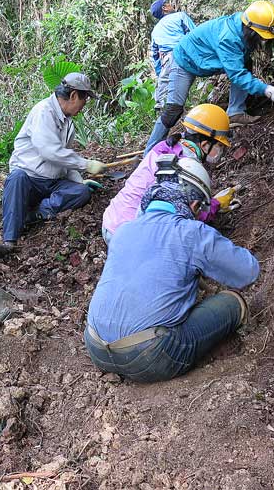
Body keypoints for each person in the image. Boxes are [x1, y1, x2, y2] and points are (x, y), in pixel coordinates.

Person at [84, 158, 260, 383]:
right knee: (232, 302)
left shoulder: (124, 230)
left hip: (96, 346)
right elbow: (248, 271)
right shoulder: (191, 232)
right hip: (150, 357)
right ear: (195, 204)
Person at [144, 0, 274, 154]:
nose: (264, 41)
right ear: (252, 30)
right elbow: (236, 75)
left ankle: (235, 112)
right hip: (183, 62)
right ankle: (149, 153)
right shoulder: (229, 38)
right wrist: (267, 90)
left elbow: (238, 68)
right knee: (172, 112)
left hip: (203, 59)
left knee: (245, 63)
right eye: (262, 36)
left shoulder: (244, 24)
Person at [0, 73, 106, 258]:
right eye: (84, 100)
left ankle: (32, 215)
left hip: (52, 181)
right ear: (74, 95)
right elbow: (50, 151)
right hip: (29, 179)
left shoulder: (68, 124)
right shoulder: (43, 111)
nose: (84, 106)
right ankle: (9, 241)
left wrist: (80, 181)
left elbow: (64, 162)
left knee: (81, 193)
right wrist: (86, 164)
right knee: (16, 179)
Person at [101, 104, 233, 243]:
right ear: (205, 145)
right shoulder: (186, 166)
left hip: (111, 221)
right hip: (128, 237)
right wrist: (216, 204)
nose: (221, 151)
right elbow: (191, 215)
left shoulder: (165, 146)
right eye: (219, 146)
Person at [149, 0, 196, 110]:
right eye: (168, 4)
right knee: (183, 87)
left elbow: (155, 56)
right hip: (182, 54)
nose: (171, 5)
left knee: (165, 94)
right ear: (164, 8)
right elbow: (194, 34)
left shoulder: (155, 30)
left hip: (167, 60)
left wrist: (160, 73)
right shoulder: (180, 16)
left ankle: (162, 110)